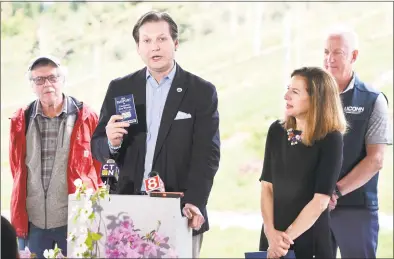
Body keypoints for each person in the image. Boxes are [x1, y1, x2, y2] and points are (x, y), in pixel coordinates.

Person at [91, 11, 220, 258]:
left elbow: (208, 154)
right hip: (124, 210)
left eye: (162, 39)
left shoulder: (201, 91)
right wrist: (111, 142)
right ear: (138, 48)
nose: (154, 47)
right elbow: (97, 146)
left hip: (179, 208)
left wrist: (194, 201)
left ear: (176, 44)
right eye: (147, 41)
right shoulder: (120, 88)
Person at [9, 55, 103, 257]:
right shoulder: (20, 120)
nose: (47, 84)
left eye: (53, 78)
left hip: (76, 220)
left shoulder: (87, 117)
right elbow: (16, 169)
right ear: (32, 85)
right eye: (39, 80)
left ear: (63, 80)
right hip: (33, 223)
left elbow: (99, 167)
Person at [259, 67, 347, 258]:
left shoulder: (330, 139)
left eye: (295, 92)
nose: (286, 96)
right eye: (288, 89)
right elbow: (267, 186)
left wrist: (283, 242)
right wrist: (270, 233)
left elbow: (320, 201)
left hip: (308, 239)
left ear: (316, 99)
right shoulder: (278, 131)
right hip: (273, 235)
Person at [323, 25, 392, 258]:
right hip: (313, 208)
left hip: (356, 210)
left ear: (354, 56)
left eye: (337, 53)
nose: (329, 59)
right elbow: (295, 141)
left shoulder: (373, 100)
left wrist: (335, 193)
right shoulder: (311, 97)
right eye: (326, 52)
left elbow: (376, 160)